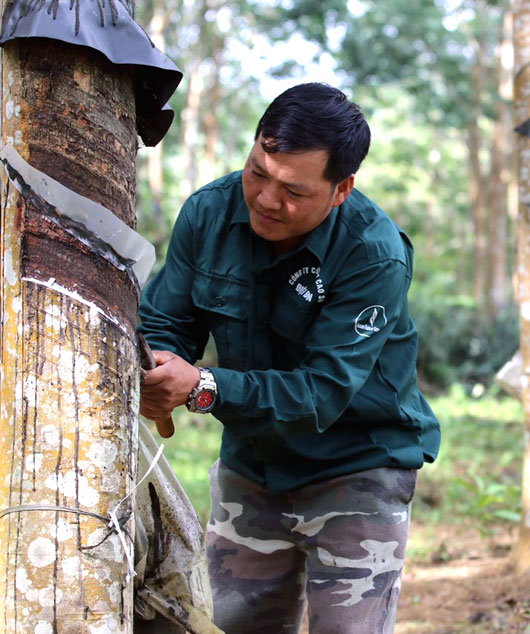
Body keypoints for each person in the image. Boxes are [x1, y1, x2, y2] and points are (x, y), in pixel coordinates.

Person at [138, 82, 441, 634]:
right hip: (254, 465)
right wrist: (159, 364)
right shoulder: (208, 213)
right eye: (258, 172)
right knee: (231, 625)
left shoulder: (373, 254)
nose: (267, 200)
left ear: (341, 189)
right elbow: (166, 320)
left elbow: (321, 392)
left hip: (358, 465)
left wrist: (203, 385)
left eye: (294, 191)